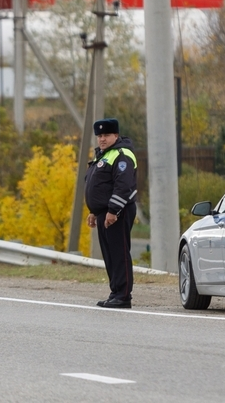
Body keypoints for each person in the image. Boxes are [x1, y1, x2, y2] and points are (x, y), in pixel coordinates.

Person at [84, 118, 138, 309]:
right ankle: (115, 292)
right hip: (104, 213)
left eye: (106, 135)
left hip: (118, 212)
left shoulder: (122, 154)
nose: (102, 139)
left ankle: (123, 295)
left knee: (119, 252)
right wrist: (94, 211)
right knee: (109, 254)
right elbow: (99, 186)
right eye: (99, 136)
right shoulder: (104, 155)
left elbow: (123, 185)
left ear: (116, 135)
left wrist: (113, 210)